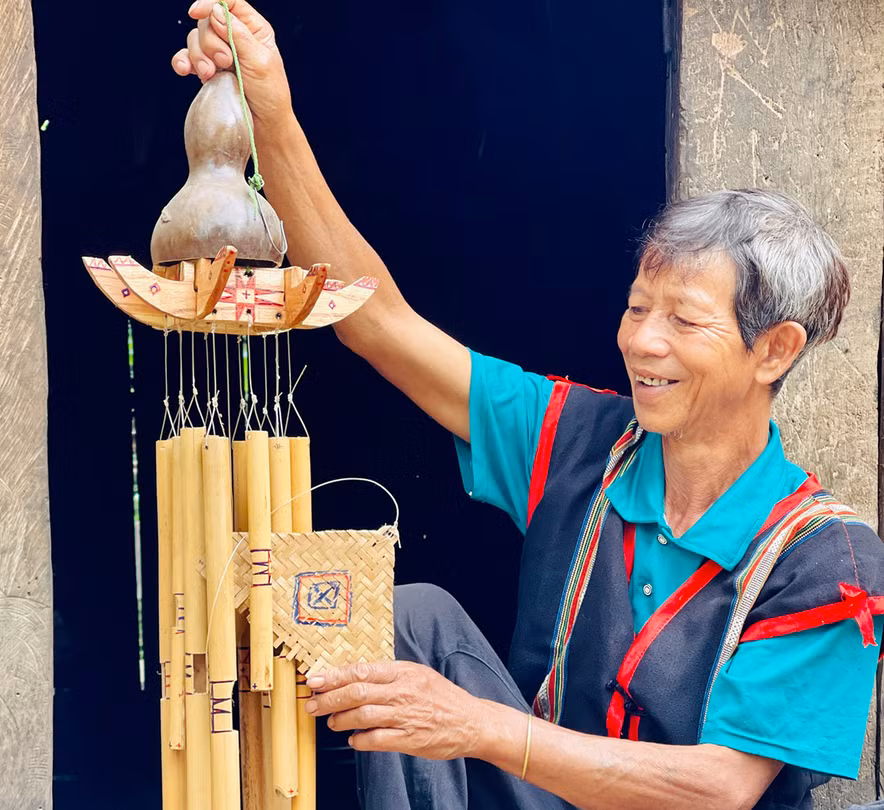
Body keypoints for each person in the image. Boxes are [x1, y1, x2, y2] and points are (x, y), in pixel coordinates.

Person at [172, 4, 884, 808]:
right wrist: (272, 116)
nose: (642, 341)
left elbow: (721, 790)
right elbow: (375, 321)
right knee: (416, 620)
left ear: (775, 351)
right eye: (637, 308)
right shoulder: (579, 441)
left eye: (683, 321)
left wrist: (480, 727)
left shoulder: (827, 557)